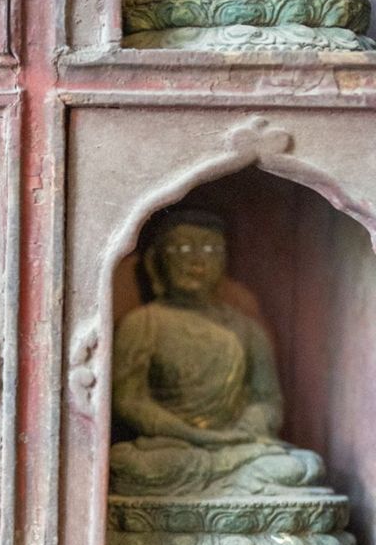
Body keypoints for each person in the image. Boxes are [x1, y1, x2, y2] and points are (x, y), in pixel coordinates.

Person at [110, 211, 330, 498]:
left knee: (301, 467)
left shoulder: (247, 330)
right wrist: (192, 434)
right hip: (173, 447)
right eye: (183, 249)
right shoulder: (144, 323)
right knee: (131, 464)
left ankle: (229, 489)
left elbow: (266, 399)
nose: (197, 261)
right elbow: (130, 400)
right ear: (157, 260)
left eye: (211, 249)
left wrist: (248, 425)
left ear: (225, 261)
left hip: (236, 447)